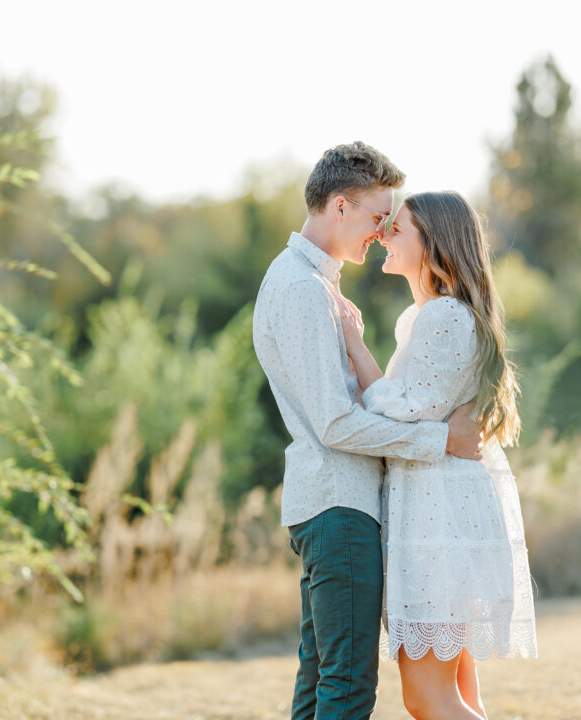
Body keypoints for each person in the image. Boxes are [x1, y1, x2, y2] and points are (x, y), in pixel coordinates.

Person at [252, 143, 486, 720]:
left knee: (321, 681)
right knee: (348, 685)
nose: (380, 232)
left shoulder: (314, 284)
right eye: (376, 217)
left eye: (389, 222)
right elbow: (334, 423)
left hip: (334, 505)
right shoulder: (304, 291)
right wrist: (442, 441)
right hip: (339, 506)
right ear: (338, 206)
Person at [333, 191, 537, 720]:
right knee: (460, 695)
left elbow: (401, 412)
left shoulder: (444, 315)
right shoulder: (425, 317)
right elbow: (416, 411)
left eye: (396, 229)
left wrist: (354, 344)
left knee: (429, 698)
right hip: (439, 511)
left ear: (434, 246)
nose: (382, 235)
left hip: (436, 518)